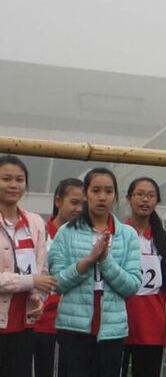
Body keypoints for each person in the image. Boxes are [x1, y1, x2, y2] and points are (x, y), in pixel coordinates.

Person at [49, 167, 142, 377]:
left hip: (112, 332)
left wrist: (105, 260)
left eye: (108, 191)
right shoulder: (66, 232)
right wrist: (88, 261)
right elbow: (57, 283)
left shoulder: (127, 235)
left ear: (115, 196)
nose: (102, 197)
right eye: (96, 190)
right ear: (85, 194)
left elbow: (132, 286)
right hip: (73, 329)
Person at [0, 155, 56, 377]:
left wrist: (38, 296)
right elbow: (34, 278)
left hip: (24, 325)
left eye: (19, 179)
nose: (13, 185)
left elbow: (42, 270)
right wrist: (30, 281)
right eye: (6, 179)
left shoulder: (35, 223)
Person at [122, 177, 166, 377]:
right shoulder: (116, 235)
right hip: (117, 325)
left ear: (157, 201)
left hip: (152, 329)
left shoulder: (164, 241)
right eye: (139, 194)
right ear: (129, 198)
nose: (145, 199)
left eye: (150, 195)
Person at [33, 177, 84, 377]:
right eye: (74, 202)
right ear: (58, 201)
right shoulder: (40, 234)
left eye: (83, 204)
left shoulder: (86, 238)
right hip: (44, 324)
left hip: (77, 326)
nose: (79, 209)